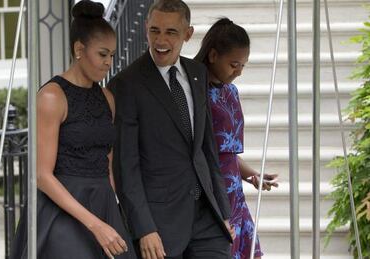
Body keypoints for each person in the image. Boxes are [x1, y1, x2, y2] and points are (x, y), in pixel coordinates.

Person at [108, 1, 235, 259]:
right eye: (154, 30)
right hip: (160, 225)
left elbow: (207, 150)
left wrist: (223, 212)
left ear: (188, 34)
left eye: (170, 32)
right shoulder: (126, 85)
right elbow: (126, 167)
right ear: (145, 28)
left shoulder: (198, 73)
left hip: (206, 220)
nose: (160, 40)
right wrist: (144, 228)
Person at [10, 1, 136, 258]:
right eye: (103, 54)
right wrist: (95, 224)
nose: (109, 63)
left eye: (112, 55)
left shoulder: (107, 98)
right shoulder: (51, 97)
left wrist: (112, 213)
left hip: (104, 206)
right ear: (79, 49)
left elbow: (107, 164)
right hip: (62, 213)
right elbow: (42, 176)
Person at [194, 18, 279, 258]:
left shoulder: (230, 91)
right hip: (208, 194)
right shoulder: (193, 91)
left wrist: (252, 175)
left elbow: (227, 153)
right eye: (233, 64)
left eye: (243, 65)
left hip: (233, 194)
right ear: (212, 55)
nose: (239, 72)